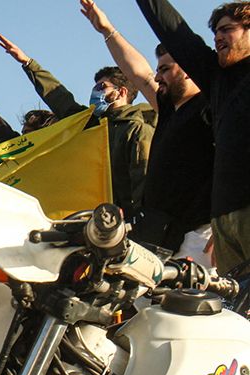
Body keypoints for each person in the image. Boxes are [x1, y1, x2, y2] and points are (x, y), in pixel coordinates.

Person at [79, 0, 213, 265]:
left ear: (188, 70)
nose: (158, 77)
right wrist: (108, 31)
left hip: (200, 235)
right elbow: (139, 74)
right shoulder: (170, 110)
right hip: (161, 233)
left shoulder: (210, 106)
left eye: (165, 69)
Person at [136, 0, 250, 275]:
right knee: (235, 302)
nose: (218, 37)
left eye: (227, 29)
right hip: (224, 222)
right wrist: (219, 223)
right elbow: (174, 31)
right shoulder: (217, 79)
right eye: (215, 32)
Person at [0, 33, 156, 222]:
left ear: (121, 92)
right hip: (97, 220)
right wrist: (28, 63)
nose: (94, 92)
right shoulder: (92, 125)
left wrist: (140, 220)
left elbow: (144, 179)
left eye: (101, 87)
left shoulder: (136, 129)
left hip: (128, 222)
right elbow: (60, 98)